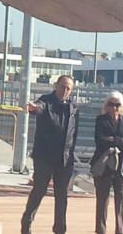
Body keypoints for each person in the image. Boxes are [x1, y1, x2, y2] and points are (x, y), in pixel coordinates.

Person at [21, 75, 79, 234]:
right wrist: (34, 107)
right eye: (62, 86)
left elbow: (74, 133)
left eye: (68, 88)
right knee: (39, 190)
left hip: (64, 159)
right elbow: (40, 106)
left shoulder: (73, 107)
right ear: (56, 85)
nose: (64, 91)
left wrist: (71, 155)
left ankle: (60, 229)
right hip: (44, 157)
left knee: (62, 196)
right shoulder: (47, 100)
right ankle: (26, 223)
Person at [92, 91, 123, 234]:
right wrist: (121, 141)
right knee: (102, 199)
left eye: (117, 105)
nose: (114, 108)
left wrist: (113, 140)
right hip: (104, 164)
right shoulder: (101, 120)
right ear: (106, 105)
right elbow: (100, 140)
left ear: (121, 106)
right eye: (111, 104)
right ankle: (100, 230)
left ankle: (120, 230)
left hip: (122, 166)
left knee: (122, 199)